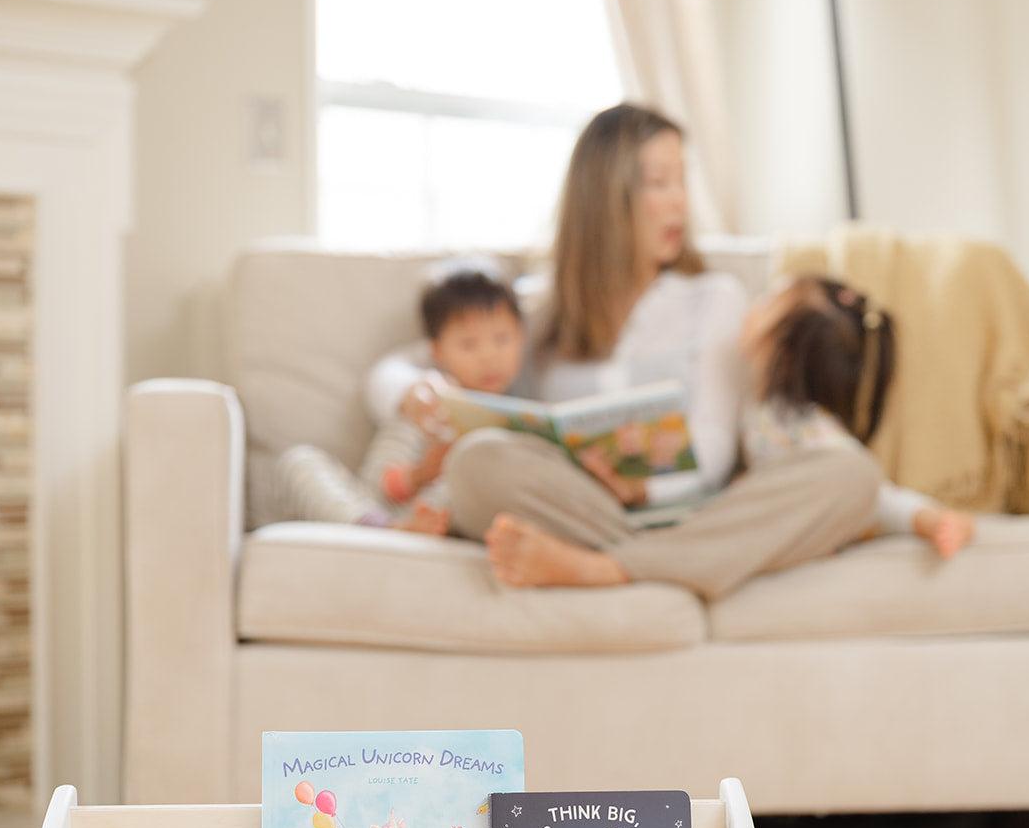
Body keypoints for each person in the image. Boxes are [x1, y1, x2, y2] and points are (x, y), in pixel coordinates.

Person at [381, 102, 881, 599]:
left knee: (853, 476)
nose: (681, 202)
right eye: (661, 183)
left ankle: (605, 569)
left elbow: (712, 451)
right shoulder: (541, 308)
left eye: (683, 182)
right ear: (605, 196)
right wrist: (409, 392)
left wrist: (644, 488)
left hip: (690, 512)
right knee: (476, 460)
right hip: (578, 510)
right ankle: (680, 566)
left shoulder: (714, 299)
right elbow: (396, 368)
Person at [739, 275, 976, 558]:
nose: (753, 304)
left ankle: (938, 518)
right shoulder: (764, 405)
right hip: (774, 518)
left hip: (798, 523)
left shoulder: (801, 423)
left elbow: (875, 496)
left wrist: (929, 518)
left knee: (857, 480)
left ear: (784, 353)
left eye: (766, 300)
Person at [359, 257, 525, 519]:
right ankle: (380, 527)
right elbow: (373, 485)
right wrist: (420, 474)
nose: (489, 356)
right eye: (469, 344)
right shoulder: (427, 403)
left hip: (468, 516)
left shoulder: (523, 412)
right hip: (394, 513)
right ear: (437, 351)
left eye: (502, 338)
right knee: (300, 464)